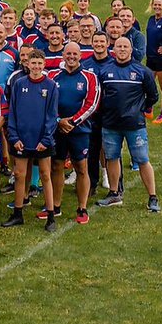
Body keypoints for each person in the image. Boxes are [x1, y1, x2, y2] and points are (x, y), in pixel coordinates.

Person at [96, 37, 161, 213]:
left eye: (125, 46)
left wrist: (139, 110)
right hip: (110, 124)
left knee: (142, 159)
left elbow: (153, 96)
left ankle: (152, 197)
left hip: (135, 125)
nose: (122, 49)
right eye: (119, 47)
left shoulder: (142, 71)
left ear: (131, 50)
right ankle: (114, 193)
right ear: (113, 49)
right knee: (112, 158)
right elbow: (99, 97)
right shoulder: (105, 71)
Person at [3, 49, 59, 232]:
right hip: (21, 139)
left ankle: (51, 215)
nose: (35, 67)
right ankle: (18, 213)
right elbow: (12, 113)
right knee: (20, 174)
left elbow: (52, 115)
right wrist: (14, 137)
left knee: (45, 174)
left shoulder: (50, 86)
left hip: (42, 140)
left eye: (39, 64)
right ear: (27, 64)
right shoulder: (19, 84)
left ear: (44, 65)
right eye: (33, 63)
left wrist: (46, 138)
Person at [50, 42, 101, 224]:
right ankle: (55, 206)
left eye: (74, 54)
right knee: (56, 166)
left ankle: (82, 207)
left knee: (81, 167)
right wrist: (58, 121)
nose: (71, 57)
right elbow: (48, 102)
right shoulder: (54, 76)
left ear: (80, 56)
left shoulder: (89, 77)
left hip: (79, 130)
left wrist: (72, 122)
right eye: (68, 53)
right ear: (63, 55)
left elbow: (92, 103)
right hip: (57, 130)